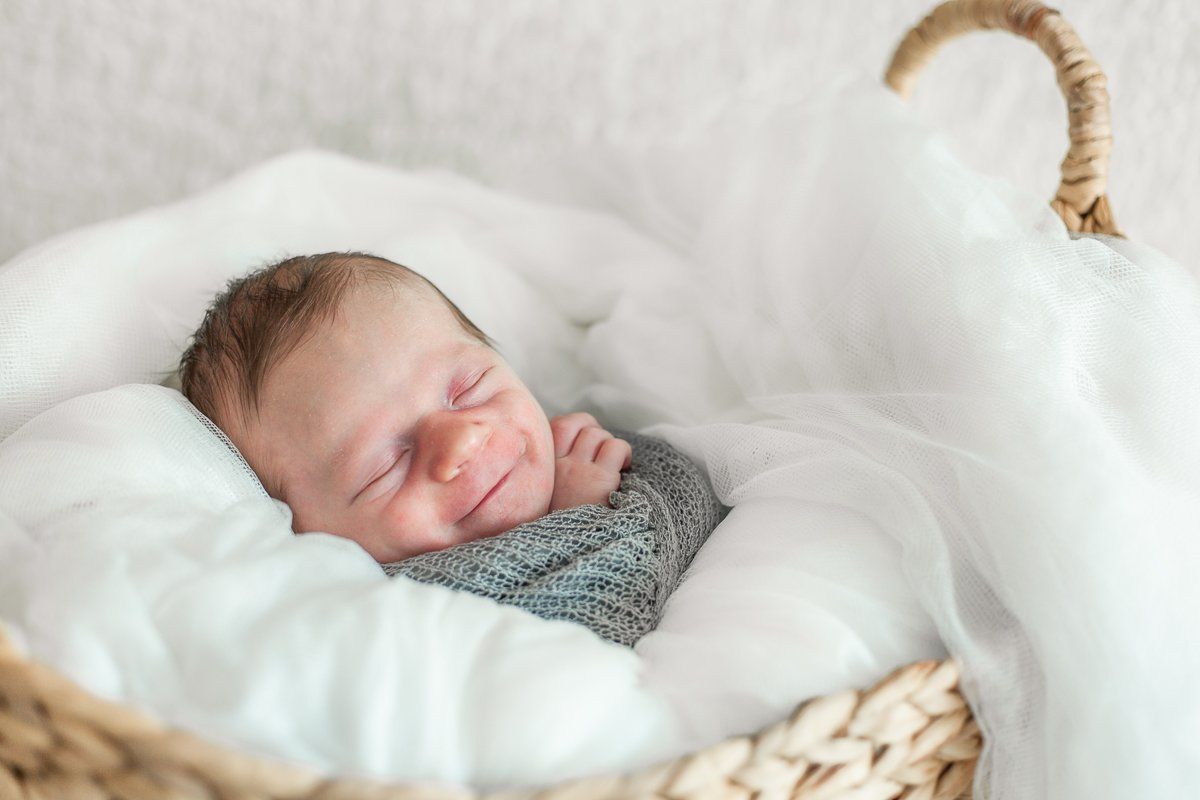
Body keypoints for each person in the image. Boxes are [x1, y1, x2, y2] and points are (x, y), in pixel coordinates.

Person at [179, 251, 633, 564]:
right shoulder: (381, 612)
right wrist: (579, 526)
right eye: (386, 466)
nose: (463, 440)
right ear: (295, 532)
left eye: (471, 388)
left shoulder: (607, 452)